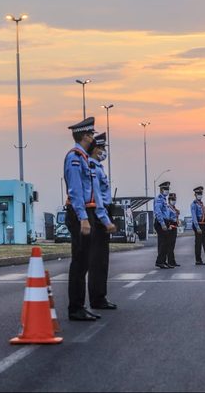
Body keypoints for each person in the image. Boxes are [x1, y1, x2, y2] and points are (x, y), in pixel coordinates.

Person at [63, 117, 113, 321]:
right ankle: (75, 308)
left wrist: (101, 218)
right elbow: (75, 191)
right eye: (92, 135)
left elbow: (93, 194)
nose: (93, 138)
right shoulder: (74, 158)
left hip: (89, 213)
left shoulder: (83, 158)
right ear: (85, 136)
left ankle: (80, 306)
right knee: (80, 262)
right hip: (79, 214)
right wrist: (83, 218)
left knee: (84, 262)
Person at [88, 132, 118, 310]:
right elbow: (97, 197)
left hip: (102, 214)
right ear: (95, 148)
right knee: (98, 260)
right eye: (102, 148)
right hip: (100, 217)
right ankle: (97, 298)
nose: (104, 151)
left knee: (102, 260)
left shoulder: (98, 167)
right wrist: (106, 220)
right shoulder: (93, 167)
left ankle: (100, 296)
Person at [154, 181, 173, 269]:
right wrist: (162, 223)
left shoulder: (164, 199)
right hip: (160, 222)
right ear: (161, 189)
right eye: (165, 189)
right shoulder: (159, 199)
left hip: (165, 221)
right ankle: (159, 261)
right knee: (163, 243)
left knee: (166, 243)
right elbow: (158, 212)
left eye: (168, 189)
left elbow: (167, 212)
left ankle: (163, 261)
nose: (167, 191)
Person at [166, 192, 180, 267]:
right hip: (171, 227)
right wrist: (168, 226)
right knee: (170, 246)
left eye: (174, 199)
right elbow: (168, 218)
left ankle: (172, 261)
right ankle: (170, 262)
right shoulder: (168, 208)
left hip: (174, 227)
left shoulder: (174, 209)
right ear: (169, 200)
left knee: (172, 246)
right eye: (172, 199)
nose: (173, 201)